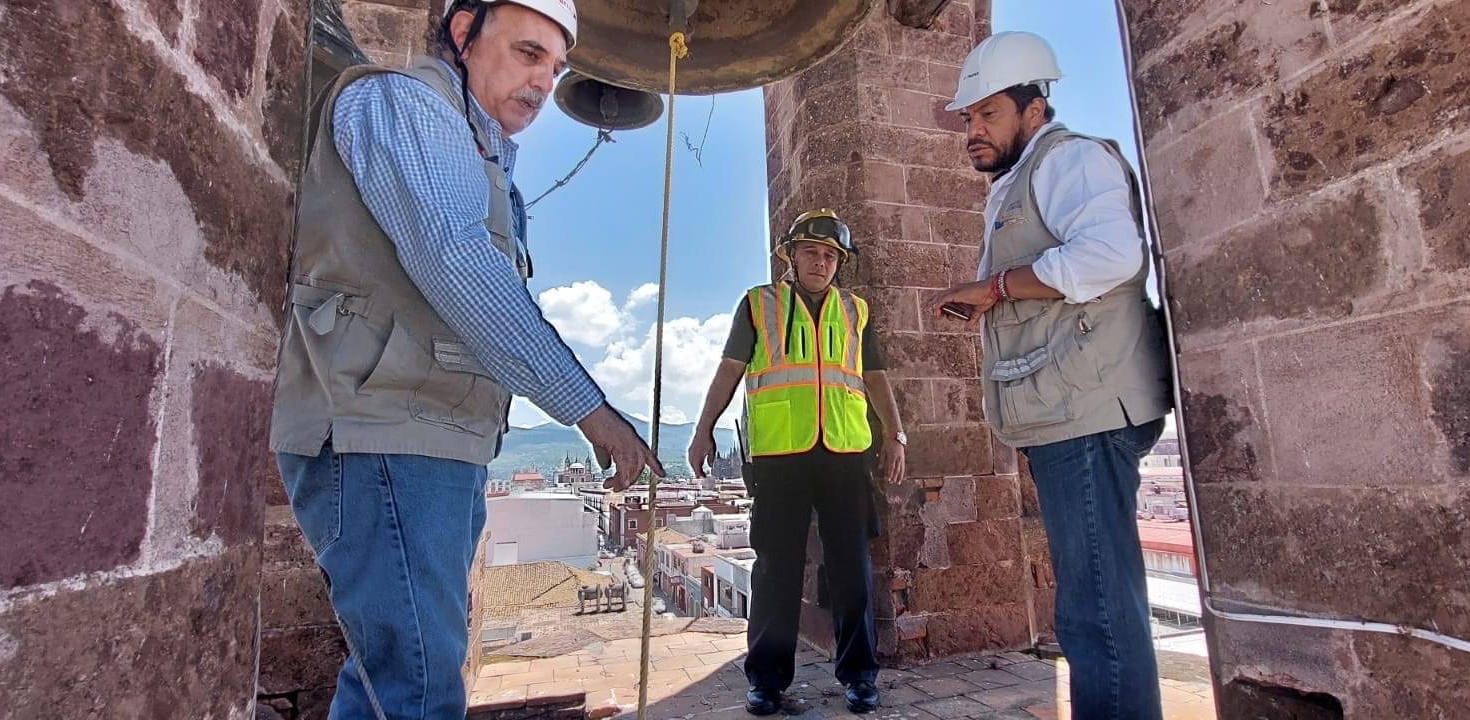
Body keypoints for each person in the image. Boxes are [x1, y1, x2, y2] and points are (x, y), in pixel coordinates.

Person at [268, 1, 662, 717]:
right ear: (462, 33)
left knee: (388, 680)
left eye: (555, 65)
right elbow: (455, 262)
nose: (543, 82)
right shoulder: (404, 105)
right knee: (416, 686)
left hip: (420, 432)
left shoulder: (472, 146)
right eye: (526, 52)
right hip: (381, 427)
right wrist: (591, 411)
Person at [926, 31, 1175, 720]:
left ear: (1034, 109)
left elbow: (1111, 256)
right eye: (967, 119)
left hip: (1088, 413)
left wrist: (998, 287)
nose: (972, 131)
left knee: (1096, 614)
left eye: (988, 115)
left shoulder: (1069, 162)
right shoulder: (1023, 178)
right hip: (1068, 407)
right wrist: (992, 296)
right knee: (1094, 605)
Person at [687, 209, 907, 715]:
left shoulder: (856, 311)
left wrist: (895, 435)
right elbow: (729, 370)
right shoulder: (758, 305)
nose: (821, 261)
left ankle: (859, 676)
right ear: (790, 256)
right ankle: (766, 679)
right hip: (780, 456)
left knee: (853, 568)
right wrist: (703, 430)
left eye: (830, 255)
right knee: (776, 570)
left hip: (847, 455)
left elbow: (874, 378)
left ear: (839, 263)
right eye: (810, 251)